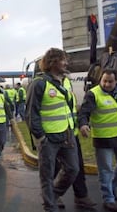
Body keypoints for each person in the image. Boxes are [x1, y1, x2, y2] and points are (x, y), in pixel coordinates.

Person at [26, 48, 79, 212]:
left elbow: (68, 107)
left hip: (67, 135)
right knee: (47, 175)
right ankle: (50, 206)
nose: (66, 63)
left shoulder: (66, 81)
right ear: (52, 62)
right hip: (48, 138)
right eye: (63, 60)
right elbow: (30, 113)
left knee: (73, 169)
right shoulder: (39, 83)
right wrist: (40, 137)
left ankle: (53, 194)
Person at [79, 68, 117, 212]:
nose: (107, 84)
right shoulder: (93, 94)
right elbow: (84, 112)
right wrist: (83, 124)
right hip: (103, 138)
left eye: (110, 81)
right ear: (100, 80)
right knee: (106, 170)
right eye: (104, 81)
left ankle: (114, 187)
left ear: (116, 81)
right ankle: (108, 198)